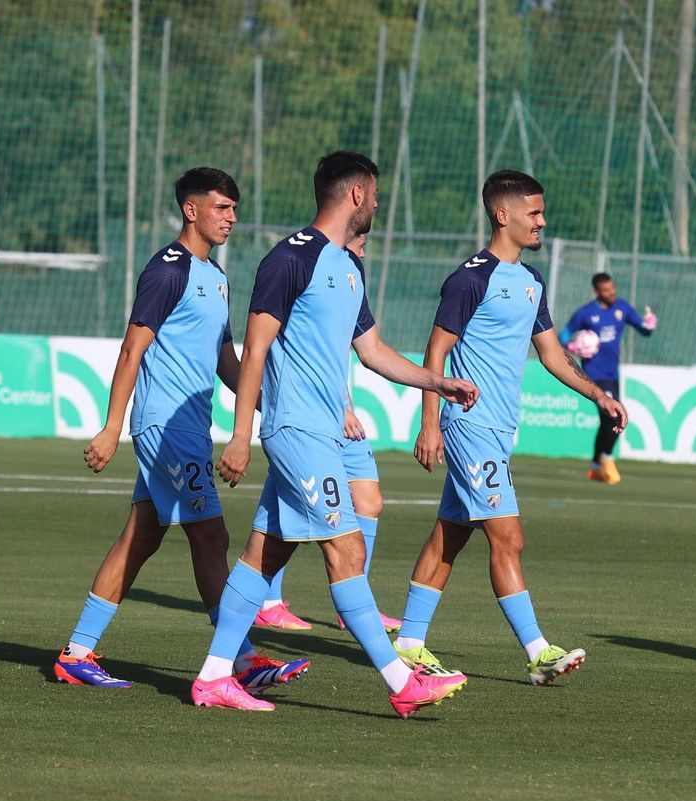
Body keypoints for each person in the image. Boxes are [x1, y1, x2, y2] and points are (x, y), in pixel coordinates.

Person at [193, 151, 479, 717]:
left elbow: (370, 352)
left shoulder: (349, 268)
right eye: (373, 194)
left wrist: (435, 380)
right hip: (295, 429)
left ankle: (214, 677)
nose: (377, 203)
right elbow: (255, 354)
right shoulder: (289, 260)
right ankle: (402, 683)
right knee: (346, 549)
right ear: (354, 194)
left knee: (262, 555)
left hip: (323, 434)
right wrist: (239, 433)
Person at [52, 167, 307, 694]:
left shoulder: (216, 277)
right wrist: (110, 427)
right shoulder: (167, 270)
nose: (231, 218)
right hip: (165, 428)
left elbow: (223, 357)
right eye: (221, 208)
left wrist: (265, 403)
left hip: (191, 426)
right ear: (191, 210)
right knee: (210, 535)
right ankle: (240, 660)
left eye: (234, 209)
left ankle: (77, 652)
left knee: (140, 539)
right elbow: (132, 348)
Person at [395, 170, 625, 686]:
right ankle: (539, 652)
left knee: (449, 536)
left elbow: (552, 355)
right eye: (534, 213)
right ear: (504, 215)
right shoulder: (471, 278)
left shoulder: (530, 281)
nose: (543, 222)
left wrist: (599, 395)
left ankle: (408, 641)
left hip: (500, 428)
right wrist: (429, 423)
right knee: (509, 537)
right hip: (467, 424)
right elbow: (436, 351)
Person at [253, 232, 402, 635]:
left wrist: (433, 383)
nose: (367, 248)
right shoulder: (300, 263)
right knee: (302, 530)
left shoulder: (352, 275)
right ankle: (268, 602)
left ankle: (350, 604)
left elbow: (356, 353)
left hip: (336, 415)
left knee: (368, 501)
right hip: (307, 420)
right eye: (362, 239)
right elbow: (272, 351)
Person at [563, 272, 655, 484]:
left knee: (607, 420)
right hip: (593, 376)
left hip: (613, 375)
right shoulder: (586, 313)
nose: (612, 293)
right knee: (616, 416)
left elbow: (643, 329)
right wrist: (573, 346)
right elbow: (563, 337)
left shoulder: (622, 308)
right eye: (606, 290)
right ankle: (606, 459)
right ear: (597, 291)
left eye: (613, 288)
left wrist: (648, 325)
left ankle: (595, 466)